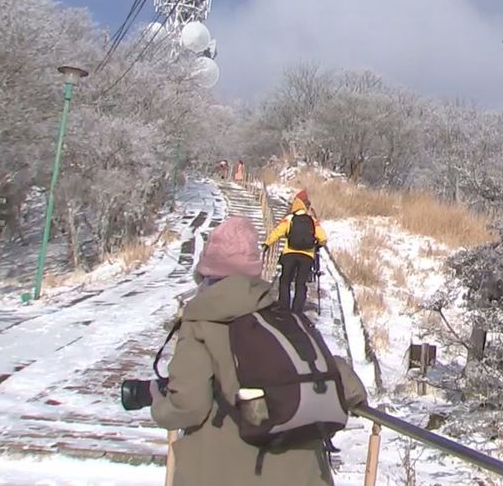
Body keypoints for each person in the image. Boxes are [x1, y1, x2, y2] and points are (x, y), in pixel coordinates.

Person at [150, 216, 366, 485]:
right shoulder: (281, 317)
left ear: (206, 275)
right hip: (304, 474)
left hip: (227, 472)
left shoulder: (202, 322)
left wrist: (157, 402)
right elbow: (341, 379)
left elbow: (188, 405)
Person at [263, 193, 327, 313]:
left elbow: (277, 232)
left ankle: (283, 306)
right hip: (307, 256)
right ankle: (297, 309)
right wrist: (318, 244)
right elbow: (323, 238)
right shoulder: (313, 221)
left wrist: (267, 244)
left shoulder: (289, 219)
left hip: (290, 254)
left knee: (285, 280)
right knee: (301, 282)